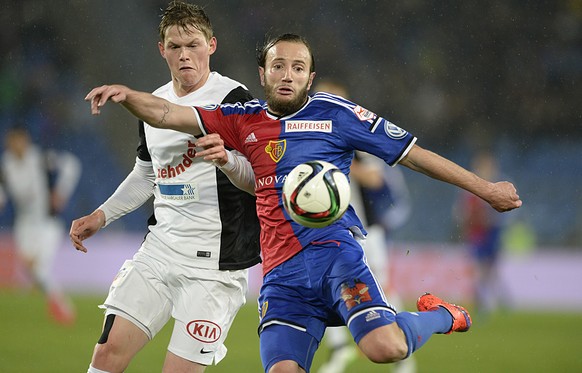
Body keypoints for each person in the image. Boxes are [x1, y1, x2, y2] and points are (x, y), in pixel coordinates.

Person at [84, 33, 522, 373]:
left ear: (309, 77)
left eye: (298, 67)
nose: (287, 75)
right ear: (264, 73)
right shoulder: (243, 118)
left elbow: (413, 155)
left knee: (384, 348)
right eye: (279, 66)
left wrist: (485, 189)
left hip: (336, 258)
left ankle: (444, 315)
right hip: (281, 277)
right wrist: (127, 95)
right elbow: (165, 114)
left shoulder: (339, 115)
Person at [69, 2, 260, 373]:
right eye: (175, 46)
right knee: (106, 356)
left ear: (212, 45)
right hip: (159, 252)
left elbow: (260, 180)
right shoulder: (155, 102)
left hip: (215, 266)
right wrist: (101, 215)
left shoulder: (235, 100)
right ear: (162, 50)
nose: (185, 55)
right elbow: (146, 174)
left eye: (193, 45)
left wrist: (229, 160)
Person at [314, 79, 416, 373]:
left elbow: (375, 179)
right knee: (323, 288)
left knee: (381, 290)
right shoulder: (308, 141)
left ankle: (404, 351)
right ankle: (339, 349)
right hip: (331, 229)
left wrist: (341, 165)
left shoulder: (355, 138)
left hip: (366, 232)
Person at [0, 126, 80, 326]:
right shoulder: (6, 164)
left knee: (40, 269)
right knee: (32, 269)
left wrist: (61, 192)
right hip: (24, 224)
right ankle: (56, 304)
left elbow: (72, 165)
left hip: (47, 223)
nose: (15, 145)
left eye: (19, 140)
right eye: (11, 141)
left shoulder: (41, 157)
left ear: (26, 140)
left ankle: (63, 308)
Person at [453, 150, 511, 317]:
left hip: (493, 231)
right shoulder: (469, 187)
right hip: (477, 232)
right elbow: (461, 211)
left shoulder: (503, 184)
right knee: (480, 268)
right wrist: (466, 223)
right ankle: (486, 302)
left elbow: (510, 209)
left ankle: (494, 299)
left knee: (490, 268)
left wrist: (491, 219)